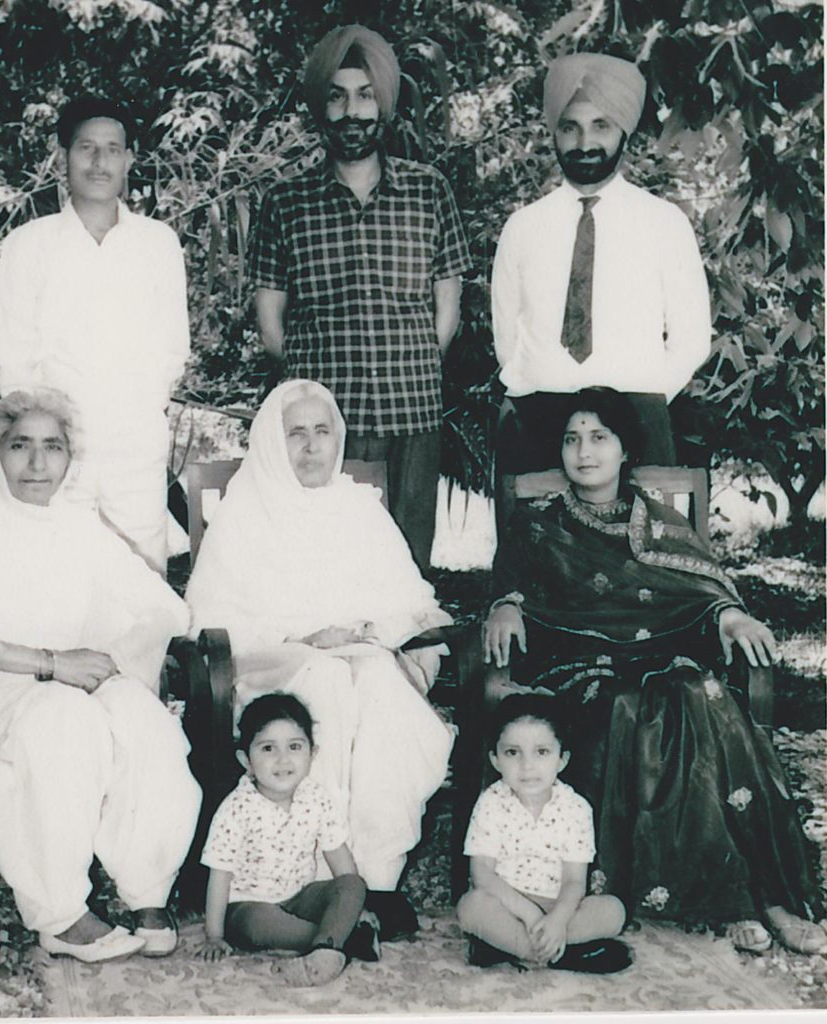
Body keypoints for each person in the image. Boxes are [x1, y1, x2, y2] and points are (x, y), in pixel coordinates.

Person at [482, 387, 827, 955]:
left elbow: (703, 588)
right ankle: (732, 900)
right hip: (580, 666)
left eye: (599, 438)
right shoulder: (537, 525)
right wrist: (506, 606)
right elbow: (508, 589)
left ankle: (768, 896)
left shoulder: (660, 523)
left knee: (700, 693)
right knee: (625, 705)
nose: (584, 452)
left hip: (663, 659)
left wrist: (733, 617)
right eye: (572, 439)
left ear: (625, 450)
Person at [0, 388, 202, 962]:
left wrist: (114, 660)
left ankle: (146, 888)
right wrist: (49, 663)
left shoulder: (79, 526)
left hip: (72, 683)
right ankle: (60, 914)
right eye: (20, 446)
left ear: (69, 456)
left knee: (144, 720)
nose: (37, 464)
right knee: (64, 721)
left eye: (52, 447)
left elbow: (164, 607)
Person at [185, 379, 454, 941]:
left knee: (380, 684)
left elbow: (412, 603)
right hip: (274, 668)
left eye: (322, 432)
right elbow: (210, 621)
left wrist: (370, 633)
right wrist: (306, 636)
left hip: (361, 659)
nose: (311, 447)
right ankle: (314, 883)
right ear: (270, 443)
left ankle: (375, 878)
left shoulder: (359, 509)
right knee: (327, 681)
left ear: (339, 440)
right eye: (296, 434)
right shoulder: (243, 515)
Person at [249, 25, 473, 572]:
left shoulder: (428, 190)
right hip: (325, 423)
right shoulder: (285, 202)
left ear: (385, 105)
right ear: (321, 109)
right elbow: (271, 326)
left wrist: (413, 360)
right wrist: (313, 389)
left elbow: (448, 309)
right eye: (337, 95)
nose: (352, 112)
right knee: (327, 562)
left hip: (411, 409)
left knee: (408, 562)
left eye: (365, 95)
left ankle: (410, 658)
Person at [0, 96, 190, 574]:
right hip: (55, 452)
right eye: (86, 148)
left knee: (141, 584)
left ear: (129, 159)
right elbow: (11, 361)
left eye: (112, 149)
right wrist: (49, 442)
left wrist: (132, 416)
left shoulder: (157, 243)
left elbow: (171, 352)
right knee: (54, 578)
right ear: (64, 156)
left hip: (134, 448)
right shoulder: (28, 245)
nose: (99, 162)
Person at [491, 52, 711, 476]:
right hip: (539, 420)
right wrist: (536, 388)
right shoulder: (522, 227)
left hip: (638, 419)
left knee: (641, 542)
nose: (584, 143)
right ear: (554, 132)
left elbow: (692, 338)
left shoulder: (665, 223)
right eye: (570, 127)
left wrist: (641, 399)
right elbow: (507, 337)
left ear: (623, 131)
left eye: (601, 126)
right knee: (539, 542)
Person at [199, 693, 380, 986]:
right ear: (246, 759)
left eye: (295, 746)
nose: (283, 759)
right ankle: (338, 940)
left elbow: (339, 858)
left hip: (300, 896)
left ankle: (333, 940)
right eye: (268, 748)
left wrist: (354, 903)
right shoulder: (236, 808)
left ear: (312, 753)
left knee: (353, 883)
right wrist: (214, 936)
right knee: (258, 925)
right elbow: (219, 876)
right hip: (248, 906)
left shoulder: (316, 797)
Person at [457, 694, 631, 973]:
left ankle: (512, 947)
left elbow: (575, 881)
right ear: (495, 759)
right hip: (507, 904)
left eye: (542, 752)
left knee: (613, 912)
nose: (527, 766)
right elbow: (482, 874)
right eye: (513, 752)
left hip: (558, 905)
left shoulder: (576, 808)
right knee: (470, 907)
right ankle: (559, 954)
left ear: (562, 759)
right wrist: (527, 914)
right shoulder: (491, 802)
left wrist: (558, 921)